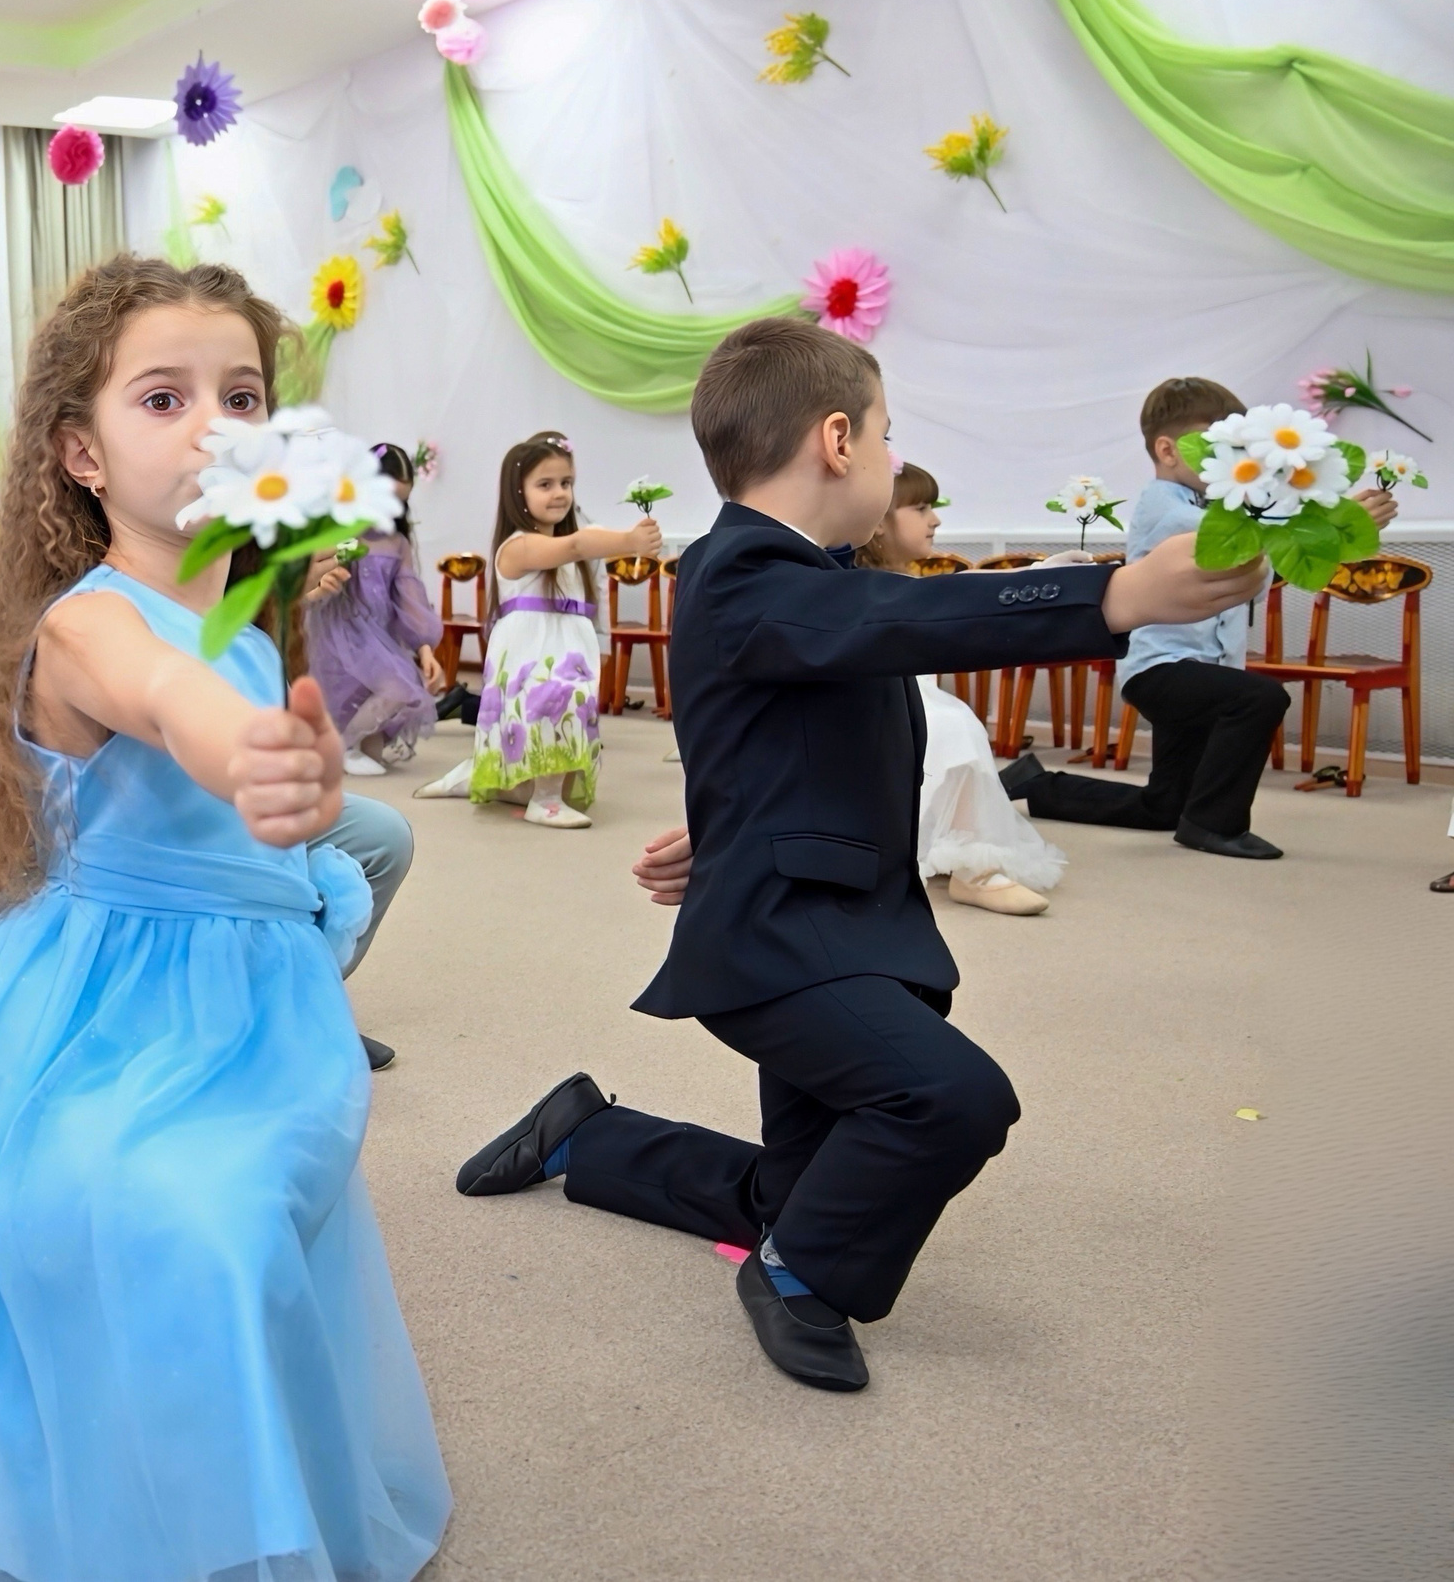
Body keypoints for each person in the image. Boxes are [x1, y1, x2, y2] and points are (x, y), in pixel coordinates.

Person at [454, 316, 1264, 1394]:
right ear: (837, 440)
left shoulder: (799, 581)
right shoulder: (744, 570)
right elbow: (894, 616)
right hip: (781, 944)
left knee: (795, 1196)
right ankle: (796, 1281)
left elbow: (784, 722)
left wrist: (730, 821)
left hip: (843, 922)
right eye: (887, 435)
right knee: (953, 1098)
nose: (889, 456)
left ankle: (586, 1136)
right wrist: (1109, 596)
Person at [0, 254, 447, 1581]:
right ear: (79, 452)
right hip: (108, 1013)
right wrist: (250, 756)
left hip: (251, 996)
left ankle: (234, 1456)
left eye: (243, 394)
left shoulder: (248, 612)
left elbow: (226, 680)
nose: (215, 423)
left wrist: (293, 770)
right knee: (191, 1221)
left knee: (257, 1222)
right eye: (163, 398)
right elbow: (169, 696)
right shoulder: (85, 623)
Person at [1001, 377, 1397, 860]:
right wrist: (1335, 520)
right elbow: (1245, 540)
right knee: (1258, 700)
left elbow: (1263, 558)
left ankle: (1039, 784)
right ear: (1168, 450)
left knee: (1163, 805)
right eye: (1221, 453)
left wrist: (1333, 528)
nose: (1235, 466)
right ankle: (1214, 825)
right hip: (1162, 668)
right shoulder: (1161, 506)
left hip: (1206, 669)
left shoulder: (1220, 506)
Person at [412, 433, 659, 827]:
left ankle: (479, 777)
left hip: (567, 644)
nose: (559, 493)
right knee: (547, 710)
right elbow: (578, 546)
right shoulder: (518, 547)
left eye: (566, 483)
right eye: (545, 485)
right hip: (532, 648)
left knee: (565, 715)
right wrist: (629, 541)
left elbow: (581, 561)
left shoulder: (565, 549)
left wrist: (598, 640)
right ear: (518, 492)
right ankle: (544, 800)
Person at [855, 460, 1066, 915]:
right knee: (952, 724)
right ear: (877, 521)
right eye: (922, 507)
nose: (936, 519)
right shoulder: (863, 585)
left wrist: (1041, 579)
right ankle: (972, 866)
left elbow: (964, 591)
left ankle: (969, 855)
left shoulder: (907, 579)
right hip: (876, 706)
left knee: (951, 722)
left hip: (912, 702)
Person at [302, 442, 445, 775]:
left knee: (379, 737)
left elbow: (410, 595)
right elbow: (310, 580)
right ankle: (342, 749)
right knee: (391, 688)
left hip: (378, 634)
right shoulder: (336, 531)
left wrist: (425, 648)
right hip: (339, 630)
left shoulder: (396, 543)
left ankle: (353, 747)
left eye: (401, 501)